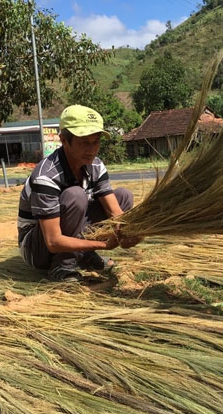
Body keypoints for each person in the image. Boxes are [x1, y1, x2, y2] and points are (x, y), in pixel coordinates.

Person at [17, 104, 141, 281]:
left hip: (67, 235)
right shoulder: (47, 175)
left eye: (96, 142)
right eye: (84, 143)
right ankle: (62, 266)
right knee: (75, 196)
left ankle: (85, 255)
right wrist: (104, 244)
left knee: (123, 196)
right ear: (64, 140)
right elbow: (52, 241)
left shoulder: (96, 165)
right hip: (37, 249)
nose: (91, 150)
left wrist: (132, 231)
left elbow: (116, 214)